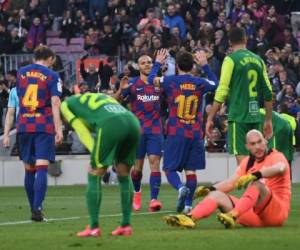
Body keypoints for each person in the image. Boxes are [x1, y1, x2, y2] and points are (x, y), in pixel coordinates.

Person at [164, 129, 291, 229]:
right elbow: (231, 183)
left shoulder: (276, 156)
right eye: (253, 144)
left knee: (256, 184)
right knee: (216, 195)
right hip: (255, 217)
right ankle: (190, 218)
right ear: (247, 147)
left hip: (276, 214)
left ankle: (232, 216)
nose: (257, 146)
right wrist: (209, 189)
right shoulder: (247, 162)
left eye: (259, 142)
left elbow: (280, 168)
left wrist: (257, 174)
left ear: (265, 142)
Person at [60, 93, 140, 237]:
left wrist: (94, 154)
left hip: (111, 123)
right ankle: (126, 225)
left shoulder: (65, 106)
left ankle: (93, 227)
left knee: (94, 172)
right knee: (123, 173)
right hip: (133, 122)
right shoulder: (94, 97)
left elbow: (81, 130)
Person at [148, 49, 218, 213]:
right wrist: (206, 66)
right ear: (193, 65)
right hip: (194, 133)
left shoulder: (170, 81)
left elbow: (151, 79)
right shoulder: (200, 82)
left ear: (177, 65)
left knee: (169, 169)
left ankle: (180, 188)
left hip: (176, 132)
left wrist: (158, 62)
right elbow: (217, 84)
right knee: (191, 171)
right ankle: (188, 206)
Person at [205, 27, 273, 165]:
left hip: (238, 116)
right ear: (245, 39)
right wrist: (268, 120)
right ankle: (259, 186)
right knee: (256, 162)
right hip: (255, 116)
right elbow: (268, 92)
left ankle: (252, 187)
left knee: (243, 165)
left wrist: (210, 117)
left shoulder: (231, 60)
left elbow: (222, 90)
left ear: (230, 42)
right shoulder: (258, 60)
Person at [16, 45, 63, 221]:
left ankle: (33, 208)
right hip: (43, 125)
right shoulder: (52, 75)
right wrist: (59, 128)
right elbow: (55, 102)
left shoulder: (20, 73)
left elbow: (20, 97)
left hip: (24, 125)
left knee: (29, 169)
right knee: (42, 166)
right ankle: (37, 208)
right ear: (50, 58)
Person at [115, 54, 164, 212]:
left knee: (155, 162)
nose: (147, 65)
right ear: (138, 66)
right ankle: (137, 192)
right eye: (143, 63)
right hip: (138, 131)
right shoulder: (133, 83)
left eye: (149, 62)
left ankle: (154, 199)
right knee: (137, 170)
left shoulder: (159, 82)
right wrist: (120, 90)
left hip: (155, 130)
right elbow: (116, 101)